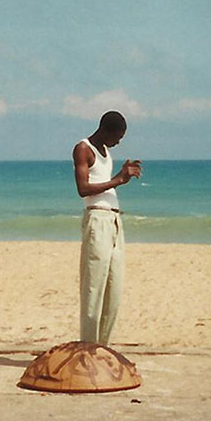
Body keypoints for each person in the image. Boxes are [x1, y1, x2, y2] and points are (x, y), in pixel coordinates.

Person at [73, 111, 142, 346]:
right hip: (97, 220)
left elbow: (103, 182)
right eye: (118, 137)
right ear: (106, 130)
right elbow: (83, 188)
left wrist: (120, 178)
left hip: (114, 221)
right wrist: (118, 180)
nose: (119, 142)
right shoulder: (83, 149)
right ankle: (88, 347)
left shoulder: (106, 153)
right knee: (94, 287)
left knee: (114, 290)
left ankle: (102, 347)